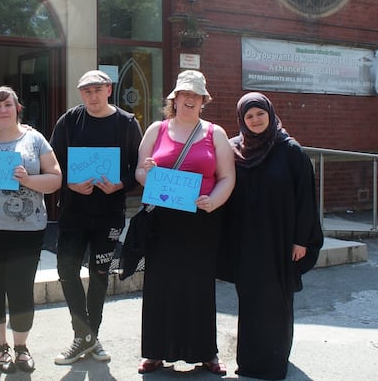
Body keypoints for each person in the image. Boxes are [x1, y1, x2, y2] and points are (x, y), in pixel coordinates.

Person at [134, 70, 235, 375]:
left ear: (203, 101)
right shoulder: (156, 129)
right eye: (184, 94)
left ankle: (205, 353)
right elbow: (140, 171)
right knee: (160, 285)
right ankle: (154, 352)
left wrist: (214, 201)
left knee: (198, 287)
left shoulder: (215, 133)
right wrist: (147, 173)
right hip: (163, 221)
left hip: (201, 221)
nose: (189, 99)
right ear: (174, 99)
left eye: (196, 95)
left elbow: (228, 176)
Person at [219, 92, 324, 380]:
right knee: (250, 300)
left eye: (259, 114)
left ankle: (275, 362)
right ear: (241, 119)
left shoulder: (290, 151)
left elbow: (305, 199)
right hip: (246, 241)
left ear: (270, 114)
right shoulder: (234, 151)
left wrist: (301, 240)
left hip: (279, 242)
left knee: (276, 301)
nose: (255, 120)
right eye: (249, 116)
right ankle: (250, 362)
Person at [49, 70, 142, 365]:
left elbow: (138, 170)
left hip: (109, 215)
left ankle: (90, 335)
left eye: (97, 90)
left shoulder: (127, 124)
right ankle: (84, 335)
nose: (92, 96)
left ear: (109, 90)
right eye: (86, 91)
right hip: (74, 212)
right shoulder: (69, 121)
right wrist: (68, 183)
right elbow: (53, 164)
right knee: (67, 270)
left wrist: (121, 184)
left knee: (100, 274)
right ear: (81, 94)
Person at [0, 86, 62, 374]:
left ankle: (21, 347)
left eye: (8, 105)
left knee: (22, 289)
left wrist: (27, 180)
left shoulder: (35, 140)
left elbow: (56, 179)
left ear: (17, 107)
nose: (3, 110)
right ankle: (0, 347)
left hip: (28, 230)